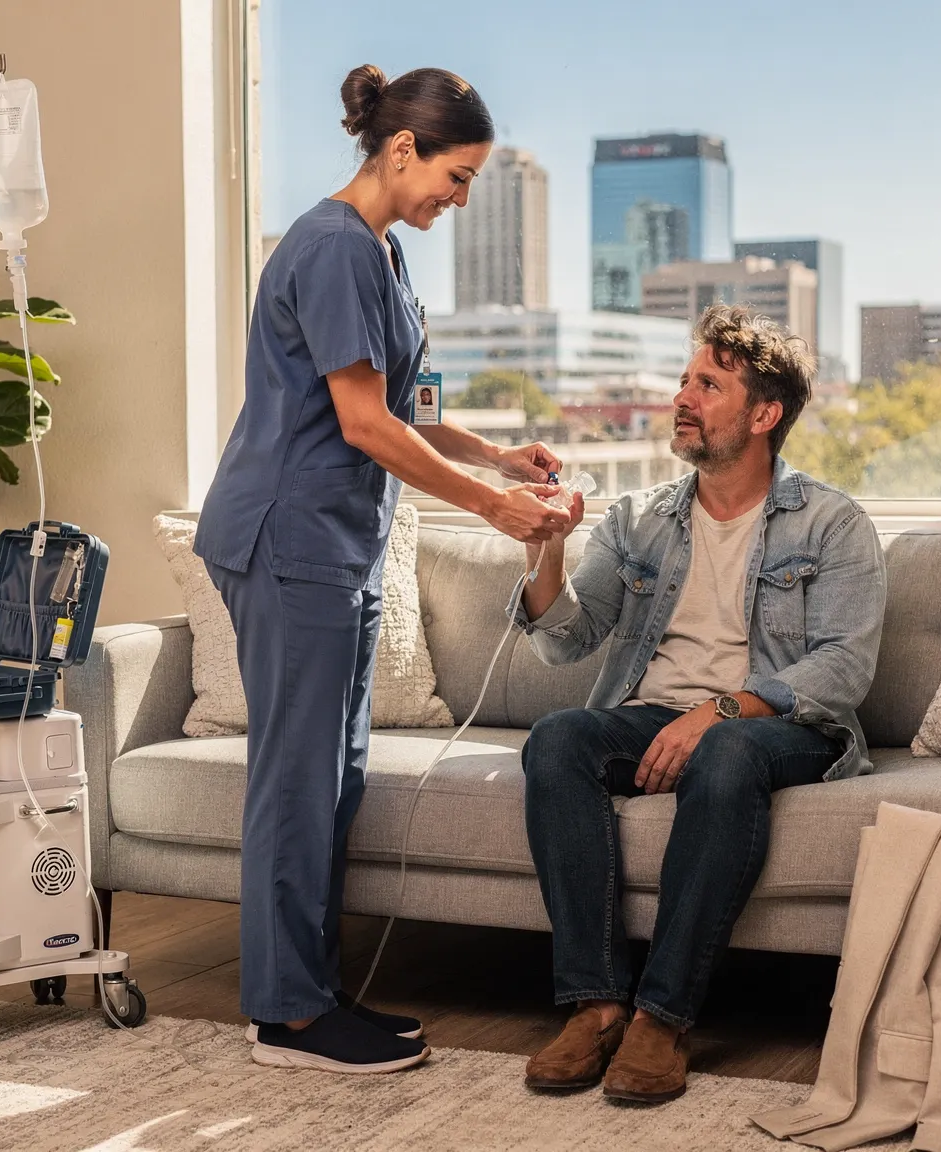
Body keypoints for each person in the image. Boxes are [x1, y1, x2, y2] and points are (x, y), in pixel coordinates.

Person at [193, 64, 574, 1076]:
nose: (456, 202)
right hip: (289, 540)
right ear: (399, 148)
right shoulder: (328, 250)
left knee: (333, 775)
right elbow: (363, 425)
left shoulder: (381, 255)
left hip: (339, 545)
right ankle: (287, 1016)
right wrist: (491, 508)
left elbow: (401, 403)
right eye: (452, 180)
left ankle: (311, 996)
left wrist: (496, 455)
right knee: (294, 776)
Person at [513, 306, 887, 1103]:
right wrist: (545, 550)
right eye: (685, 379)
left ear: (763, 414)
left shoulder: (832, 523)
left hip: (780, 726)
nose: (682, 396)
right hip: (657, 714)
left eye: (707, 385)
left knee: (725, 750)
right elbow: (566, 641)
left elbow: (843, 670)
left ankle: (663, 1018)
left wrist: (717, 713)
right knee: (555, 740)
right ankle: (597, 1003)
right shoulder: (640, 518)